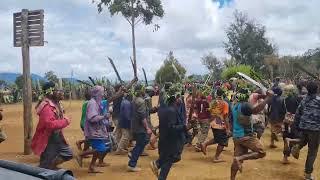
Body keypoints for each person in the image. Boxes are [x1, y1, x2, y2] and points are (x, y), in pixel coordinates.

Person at [230, 89, 273, 180]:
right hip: (246, 136)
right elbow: (256, 110)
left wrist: (266, 96)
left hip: (237, 136)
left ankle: (232, 178)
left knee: (237, 159)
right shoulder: (245, 105)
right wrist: (268, 98)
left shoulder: (235, 105)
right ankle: (239, 159)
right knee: (261, 152)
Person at [31, 82, 73, 170]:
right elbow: (50, 124)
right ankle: (46, 169)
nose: (61, 92)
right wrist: (65, 121)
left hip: (56, 137)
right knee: (45, 166)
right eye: (58, 90)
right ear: (50, 93)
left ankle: (51, 166)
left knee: (68, 153)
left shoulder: (56, 104)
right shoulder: (46, 107)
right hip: (48, 139)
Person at [150, 87, 187, 180]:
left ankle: (157, 164)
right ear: (174, 99)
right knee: (169, 160)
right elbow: (172, 128)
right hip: (170, 141)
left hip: (164, 139)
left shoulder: (163, 109)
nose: (181, 99)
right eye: (179, 97)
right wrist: (184, 127)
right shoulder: (171, 111)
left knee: (167, 159)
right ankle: (158, 167)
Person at [291, 81, 320, 180]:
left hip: (303, 126)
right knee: (312, 151)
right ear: (316, 89)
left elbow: (298, 113)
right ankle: (308, 174)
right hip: (315, 129)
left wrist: (296, 126)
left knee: (303, 141)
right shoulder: (318, 100)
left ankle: (297, 146)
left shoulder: (304, 100)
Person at [82, 86, 111, 173]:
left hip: (98, 130)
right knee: (100, 149)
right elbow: (92, 118)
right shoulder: (92, 104)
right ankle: (81, 155)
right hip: (93, 131)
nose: (103, 94)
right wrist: (104, 116)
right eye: (102, 92)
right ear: (97, 93)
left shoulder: (97, 102)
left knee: (100, 148)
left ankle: (92, 166)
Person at [201, 88, 230, 163]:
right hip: (220, 124)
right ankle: (216, 157)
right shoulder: (224, 104)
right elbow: (226, 117)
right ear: (224, 94)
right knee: (222, 142)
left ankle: (205, 144)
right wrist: (228, 128)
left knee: (217, 139)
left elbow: (210, 111)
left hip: (213, 123)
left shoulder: (213, 102)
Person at [128, 84, 153, 172]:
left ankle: (133, 154)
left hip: (135, 126)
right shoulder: (141, 101)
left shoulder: (134, 100)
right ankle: (132, 164)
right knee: (140, 144)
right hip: (140, 127)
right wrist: (147, 128)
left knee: (144, 141)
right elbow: (142, 117)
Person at [282, 85, 302, 164]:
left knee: (286, 136)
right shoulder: (297, 99)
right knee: (296, 137)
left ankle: (285, 157)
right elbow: (300, 110)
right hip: (295, 120)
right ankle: (293, 149)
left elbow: (282, 111)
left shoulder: (284, 100)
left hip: (286, 119)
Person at [115, 89, 132, 155]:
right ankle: (119, 149)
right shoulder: (127, 103)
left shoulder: (124, 101)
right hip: (125, 122)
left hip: (121, 120)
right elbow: (127, 115)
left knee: (121, 135)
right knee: (125, 136)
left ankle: (122, 147)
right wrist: (130, 121)